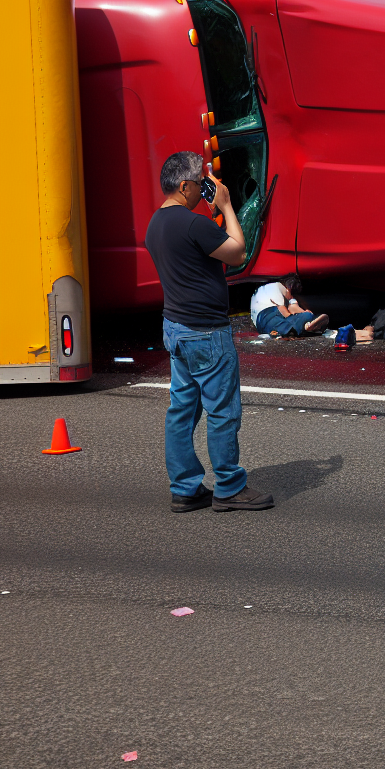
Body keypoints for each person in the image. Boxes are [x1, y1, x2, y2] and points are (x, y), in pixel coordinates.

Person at [144, 152, 273, 513]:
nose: (206, 186)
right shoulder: (193, 224)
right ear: (185, 186)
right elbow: (238, 253)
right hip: (206, 332)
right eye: (201, 181)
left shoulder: (155, 224)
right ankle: (229, 487)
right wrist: (227, 204)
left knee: (182, 410)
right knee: (222, 412)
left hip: (175, 328)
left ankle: (185, 487)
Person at [250, 274, 328, 338]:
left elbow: (292, 307)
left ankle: (303, 327)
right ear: (289, 289)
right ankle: (303, 326)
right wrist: (303, 315)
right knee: (287, 325)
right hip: (268, 315)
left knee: (287, 326)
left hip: (261, 324)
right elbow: (283, 310)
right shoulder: (278, 287)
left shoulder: (266, 288)